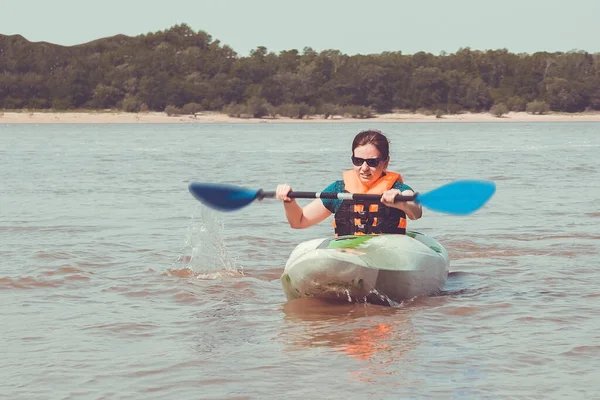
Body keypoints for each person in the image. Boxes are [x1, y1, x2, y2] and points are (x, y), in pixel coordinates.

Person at [276, 129, 422, 236]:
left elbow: (416, 212)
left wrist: (402, 204)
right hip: (350, 254)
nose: (364, 168)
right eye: (358, 161)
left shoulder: (398, 189)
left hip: (388, 253)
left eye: (372, 162)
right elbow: (299, 222)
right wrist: (289, 201)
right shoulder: (338, 189)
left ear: (385, 162)